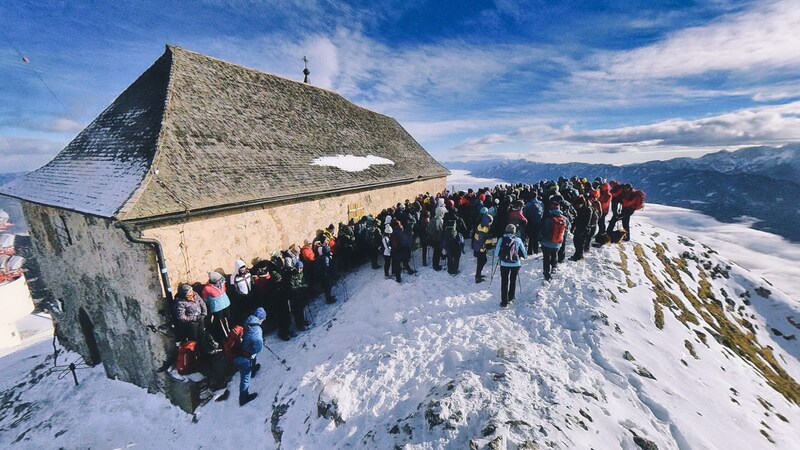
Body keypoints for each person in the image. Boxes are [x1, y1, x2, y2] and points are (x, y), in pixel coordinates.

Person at [234, 307, 266, 406]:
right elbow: (259, 346)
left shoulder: (249, 320)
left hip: (241, 350)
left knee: (252, 356)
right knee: (245, 377)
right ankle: (243, 398)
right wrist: (259, 346)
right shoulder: (257, 330)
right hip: (243, 357)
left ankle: (253, 369)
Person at [494, 224, 527, 307]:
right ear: (514, 231)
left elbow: (496, 253)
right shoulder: (518, 240)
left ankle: (504, 302)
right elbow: (524, 253)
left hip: (504, 263)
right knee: (513, 280)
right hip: (515, 264)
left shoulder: (501, 239)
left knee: (504, 282)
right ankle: (511, 297)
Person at [540, 203, 570, 281]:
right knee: (554, 254)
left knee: (546, 258)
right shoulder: (564, 218)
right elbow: (568, 228)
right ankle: (554, 267)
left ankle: (546, 274)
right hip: (557, 242)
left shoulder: (547, 218)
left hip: (546, 243)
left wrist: (540, 239)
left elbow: (542, 230)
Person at [202, 271, 232, 343]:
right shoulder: (207, 288)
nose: (221, 280)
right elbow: (205, 299)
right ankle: (226, 337)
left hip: (226, 304)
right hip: (217, 308)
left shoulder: (222, 283)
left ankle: (230, 332)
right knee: (220, 323)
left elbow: (225, 290)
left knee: (227, 319)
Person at [472, 207, 493, 283]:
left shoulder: (480, 225)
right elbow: (482, 240)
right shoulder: (484, 229)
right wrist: (491, 241)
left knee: (480, 262)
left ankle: (478, 274)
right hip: (481, 248)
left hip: (477, 246)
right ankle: (477, 277)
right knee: (482, 261)